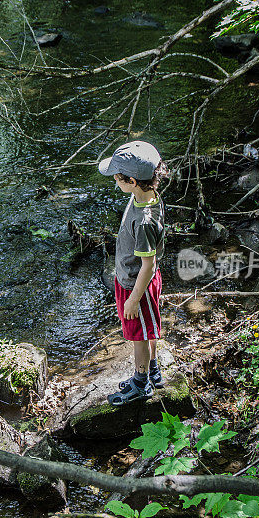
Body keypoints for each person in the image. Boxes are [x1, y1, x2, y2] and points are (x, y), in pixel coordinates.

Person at [98, 141, 167, 405]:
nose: (115, 182)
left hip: (137, 285)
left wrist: (133, 299)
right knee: (146, 330)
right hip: (131, 280)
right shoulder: (144, 195)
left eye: (118, 178)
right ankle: (153, 371)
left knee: (138, 335)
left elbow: (148, 265)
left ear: (132, 181)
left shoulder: (145, 220)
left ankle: (141, 383)